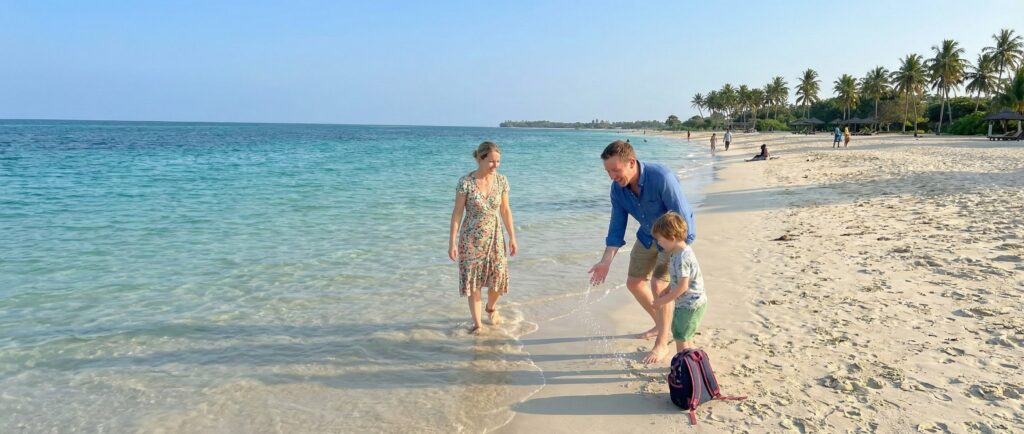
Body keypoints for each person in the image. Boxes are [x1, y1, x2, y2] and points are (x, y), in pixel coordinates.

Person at [588, 140, 696, 364]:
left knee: (659, 285)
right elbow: (617, 226)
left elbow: (683, 217)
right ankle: (661, 323)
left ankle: (662, 343)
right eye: (608, 171)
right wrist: (605, 261)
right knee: (634, 282)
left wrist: (680, 252)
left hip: (674, 237)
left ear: (631, 163)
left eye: (615, 170)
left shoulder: (661, 178)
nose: (612, 176)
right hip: (648, 235)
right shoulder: (617, 190)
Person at [449, 141, 518, 334]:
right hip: (470, 239)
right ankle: (478, 324)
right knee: (474, 282)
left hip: (495, 237)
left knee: (497, 277)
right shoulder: (466, 183)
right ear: (480, 158)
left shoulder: (502, 181)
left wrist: (512, 237)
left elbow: (505, 210)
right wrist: (452, 242)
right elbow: (457, 213)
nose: (495, 165)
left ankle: (491, 307)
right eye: (491, 161)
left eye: (498, 161)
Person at [651, 212, 707, 353]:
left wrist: (662, 301)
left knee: (681, 337)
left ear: (672, 237)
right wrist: (669, 288)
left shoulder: (682, 257)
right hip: (689, 303)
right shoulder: (678, 253)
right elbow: (681, 278)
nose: (658, 243)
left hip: (690, 305)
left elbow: (683, 286)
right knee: (684, 335)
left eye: (660, 239)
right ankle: (691, 360)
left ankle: (683, 367)